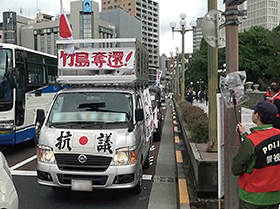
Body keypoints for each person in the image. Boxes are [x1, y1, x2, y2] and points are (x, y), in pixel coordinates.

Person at [233, 100, 280, 209]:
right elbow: (263, 144)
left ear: (257, 115)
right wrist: (244, 135)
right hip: (275, 196)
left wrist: (246, 138)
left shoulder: (251, 142)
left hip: (253, 197)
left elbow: (236, 168)